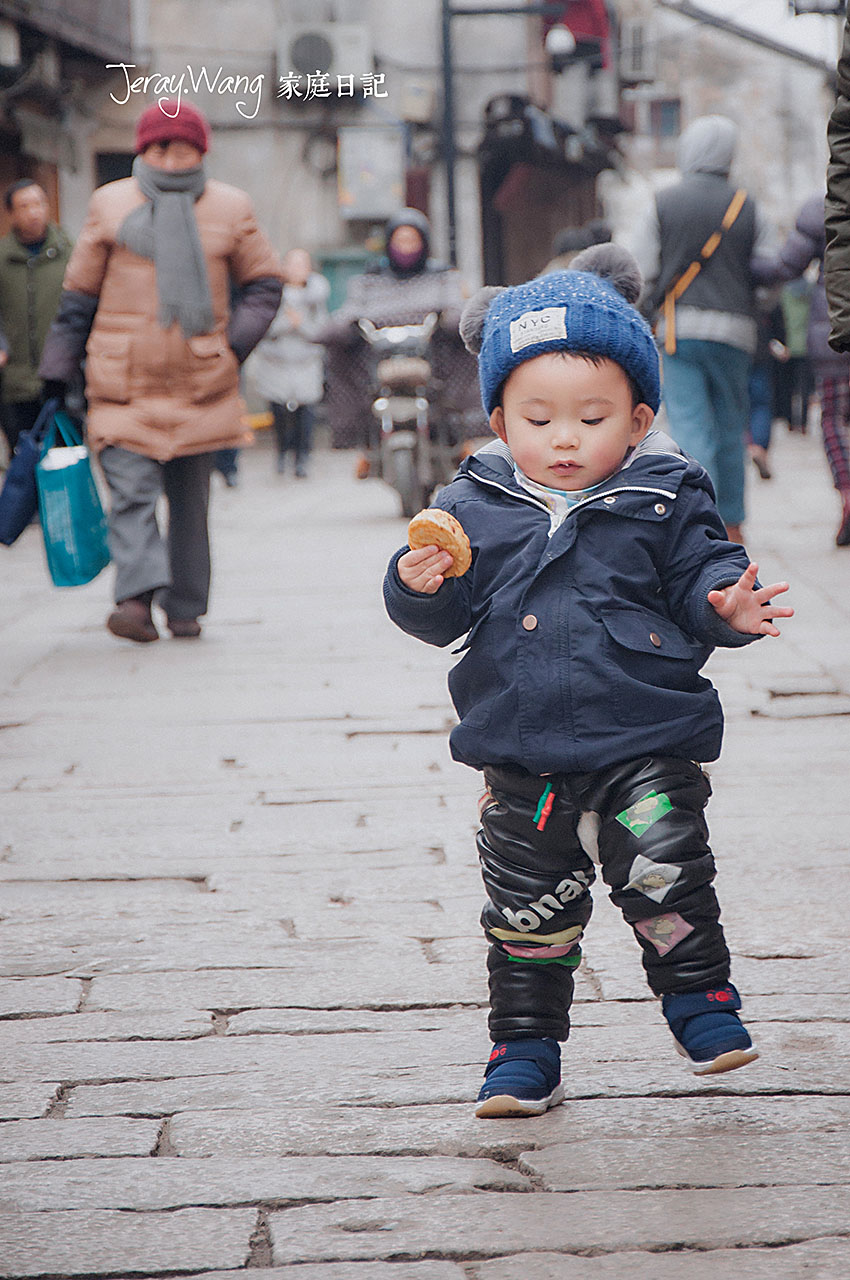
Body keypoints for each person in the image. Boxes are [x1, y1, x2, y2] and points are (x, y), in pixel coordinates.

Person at [383, 245, 793, 1118]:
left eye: (592, 417)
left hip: (645, 732)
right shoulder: (469, 504)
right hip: (521, 751)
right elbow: (444, 617)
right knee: (528, 916)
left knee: (667, 871)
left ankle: (700, 1003)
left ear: (639, 419)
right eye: (537, 419)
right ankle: (524, 1049)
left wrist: (726, 606)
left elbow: (703, 575)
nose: (563, 439)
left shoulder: (668, 490)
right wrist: (417, 586)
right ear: (501, 420)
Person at [39, 101, 282, 641]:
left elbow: (265, 285)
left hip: (203, 382)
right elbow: (78, 297)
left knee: (191, 504)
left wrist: (230, 348)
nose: (171, 159)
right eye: (159, 147)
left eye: (183, 147)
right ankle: (135, 601)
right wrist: (57, 372)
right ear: (142, 150)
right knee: (131, 496)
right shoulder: (110, 204)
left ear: (202, 151)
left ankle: (185, 607)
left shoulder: (231, 207)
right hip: (122, 381)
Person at [629, 115, 775, 542]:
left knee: (691, 427)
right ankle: (732, 524)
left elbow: (641, 269)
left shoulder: (663, 201)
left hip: (680, 330)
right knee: (732, 426)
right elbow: (768, 269)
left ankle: (699, 524)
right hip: (736, 333)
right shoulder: (747, 204)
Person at [321, 207, 482, 455]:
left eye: (412, 240)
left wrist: (453, 320)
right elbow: (349, 313)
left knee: (467, 347)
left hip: (432, 357)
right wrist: (340, 328)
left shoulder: (442, 277)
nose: (406, 247)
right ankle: (362, 441)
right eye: (400, 240)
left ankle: (461, 431)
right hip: (378, 359)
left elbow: (455, 308)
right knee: (339, 354)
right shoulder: (369, 281)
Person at [754, 194, 850, 546]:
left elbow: (785, 267)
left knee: (834, 420)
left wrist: (745, 264)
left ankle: (848, 494)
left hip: (836, 326)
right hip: (834, 329)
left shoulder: (824, 206)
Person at [0, 180, 72, 459]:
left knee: (64, 458)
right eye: (24, 206)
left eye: (39, 203)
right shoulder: (3, 257)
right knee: (24, 460)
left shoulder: (68, 252)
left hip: (61, 376)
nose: (34, 212)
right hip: (15, 379)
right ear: (11, 213)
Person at [246, 247, 330, 477]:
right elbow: (262, 327)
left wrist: (300, 324)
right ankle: (282, 452)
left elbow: (322, 331)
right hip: (277, 361)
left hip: (306, 361)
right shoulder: (272, 294)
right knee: (280, 412)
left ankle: (303, 456)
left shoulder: (316, 297)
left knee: (306, 412)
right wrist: (287, 324)